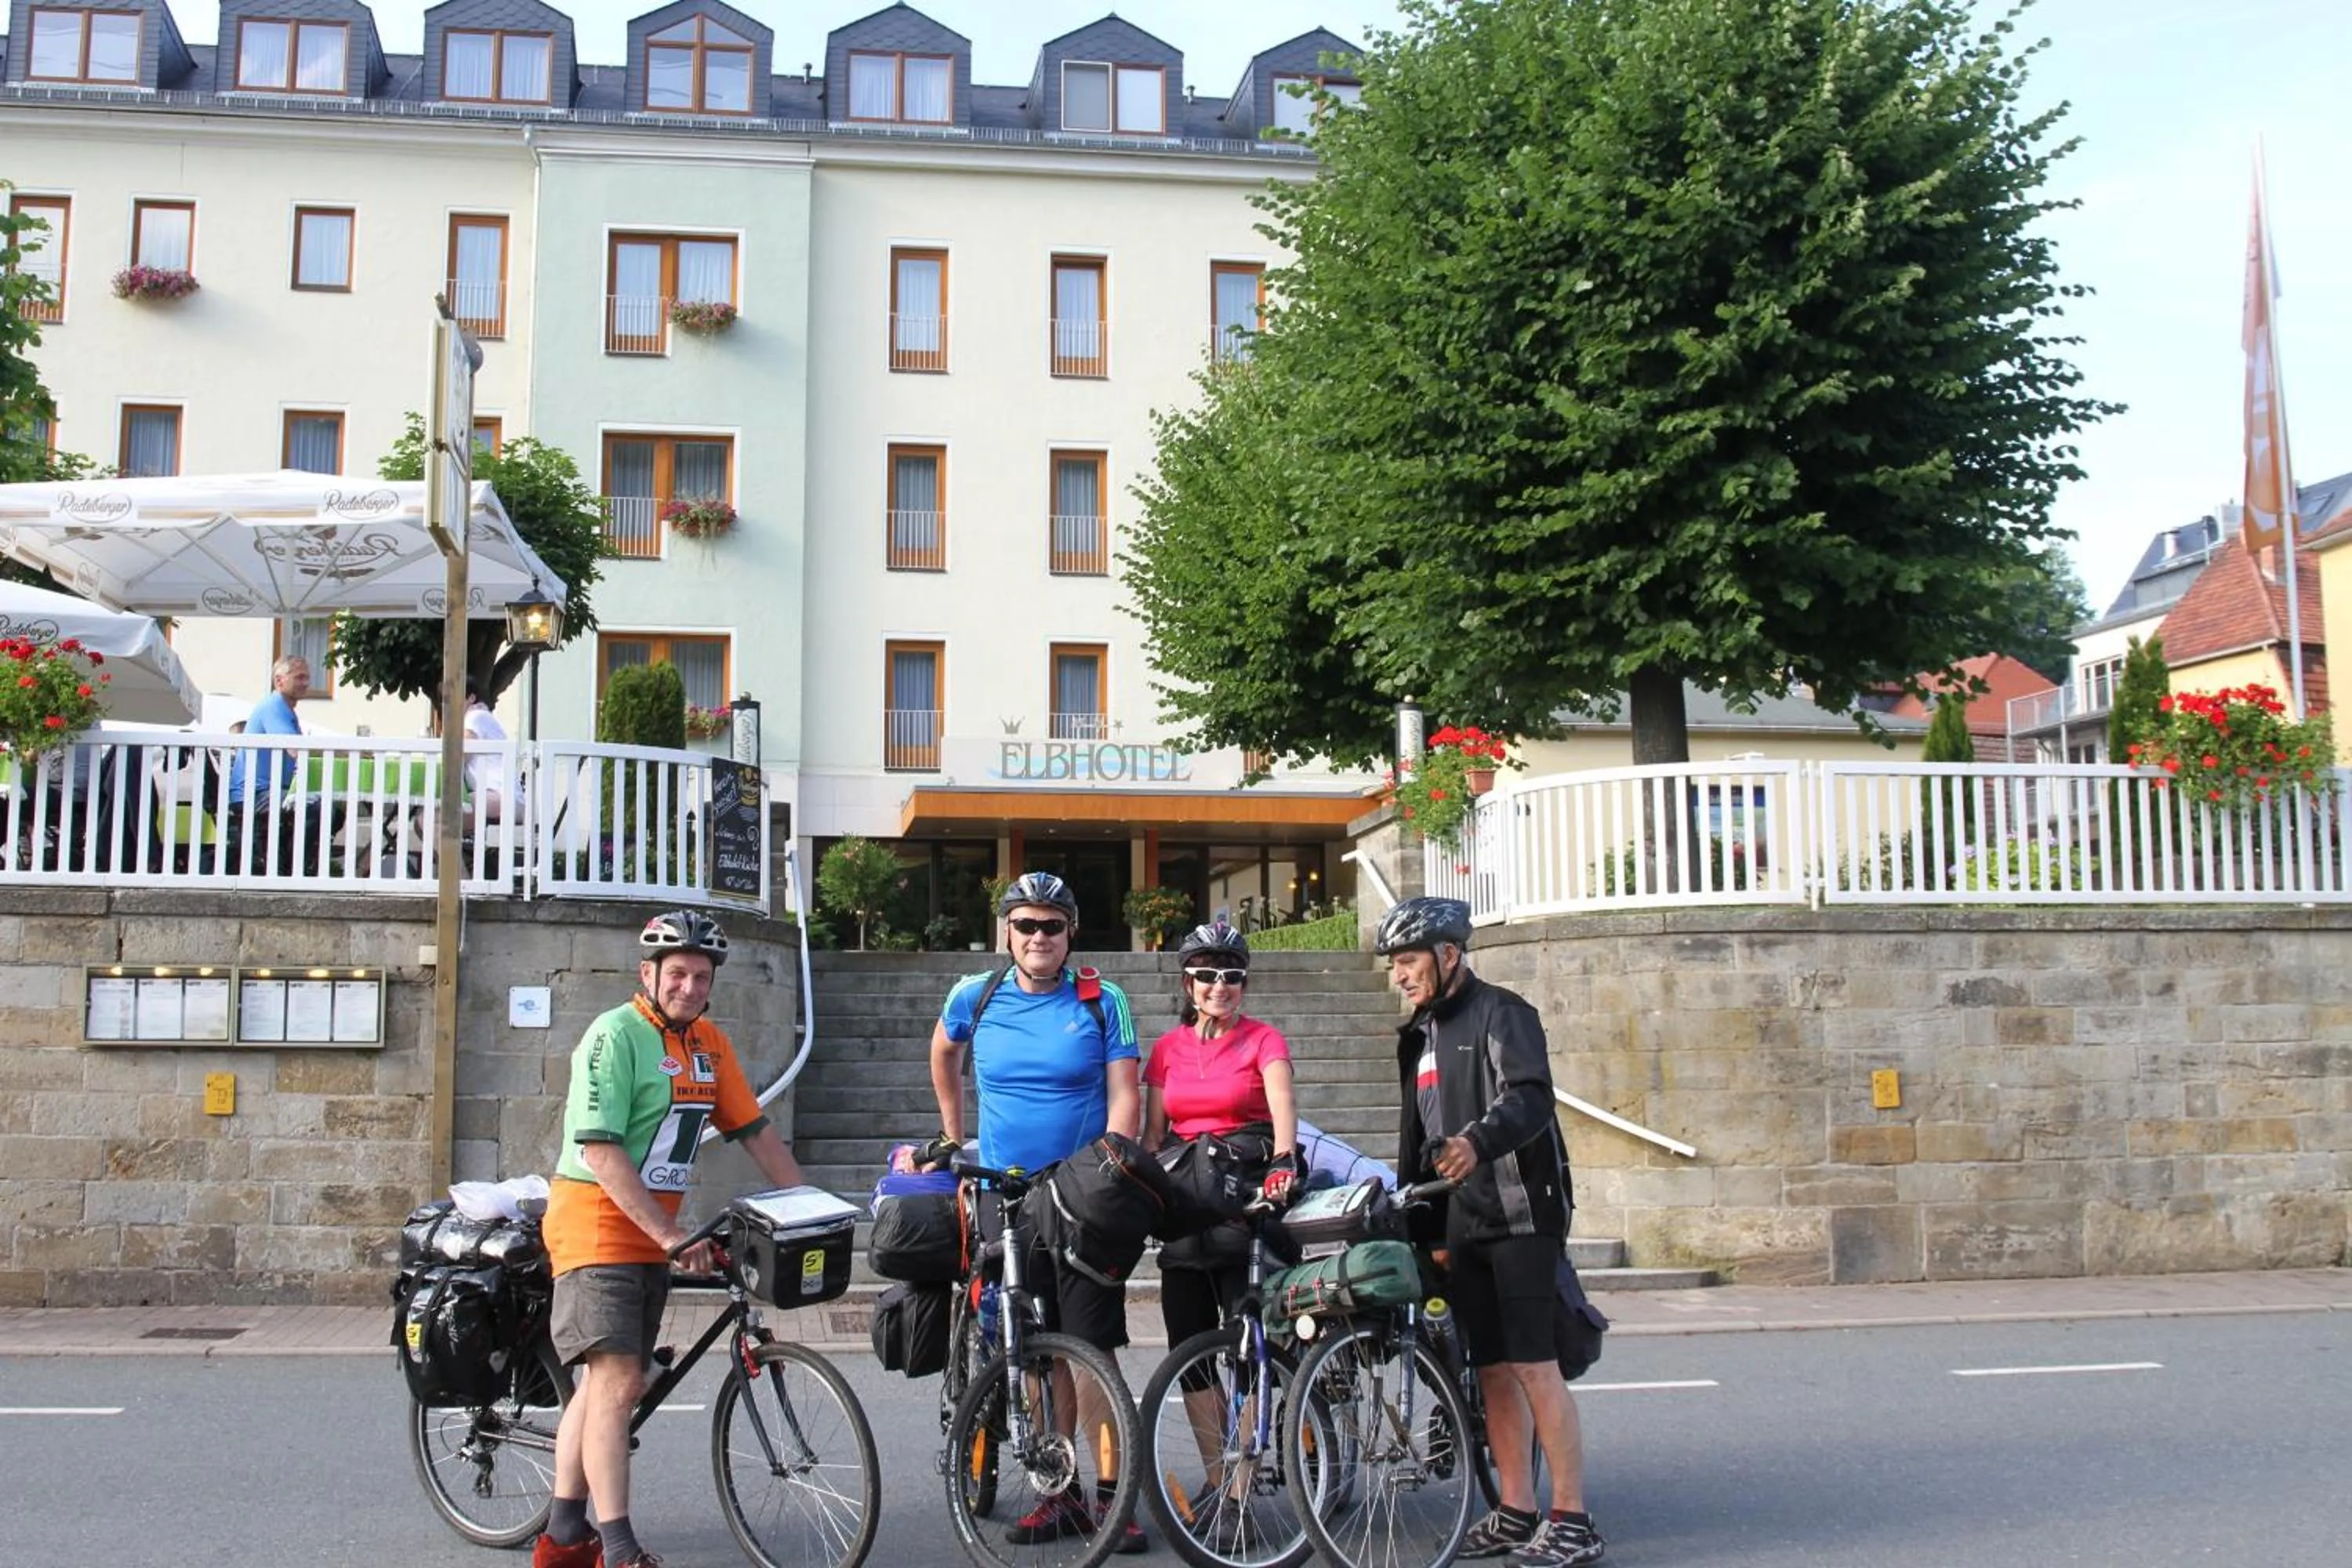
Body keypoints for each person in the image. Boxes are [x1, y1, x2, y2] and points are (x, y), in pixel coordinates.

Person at [535, 909, 808, 1568]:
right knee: (621, 1378)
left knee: (603, 1386)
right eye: (677, 973)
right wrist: (668, 1234)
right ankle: (620, 1548)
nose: (688, 985)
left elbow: (754, 1131)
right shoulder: (615, 1036)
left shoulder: (709, 1043)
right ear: (647, 974)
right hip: (597, 1223)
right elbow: (599, 1151)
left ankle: (563, 1536)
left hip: (651, 1232)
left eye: (700, 975)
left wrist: (805, 1202)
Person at [924, 870, 1147, 1552]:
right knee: (1032, 1349)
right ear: (1008, 933)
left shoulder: (1101, 997)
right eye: (1026, 924)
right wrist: (951, 1131)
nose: (1039, 936)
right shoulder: (977, 994)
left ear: (1070, 932)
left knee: (1091, 1349)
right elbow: (943, 1052)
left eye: (1052, 925)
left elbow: (1126, 1095)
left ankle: (1113, 1498)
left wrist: (1111, 1165)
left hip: (1079, 1195)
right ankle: (1061, 1494)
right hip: (1005, 1192)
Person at [1381, 895, 1606, 1568]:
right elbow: (1416, 1140)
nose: (1400, 975)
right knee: (1492, 1372)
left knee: (1534, 1365)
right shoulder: (1417, 1035)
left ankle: (1572, 1518)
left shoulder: (1503, 1013)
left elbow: (1531, 1096)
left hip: (1521, 1214)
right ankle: (1515, 1508)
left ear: (1449, 956)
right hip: (1461, 1220)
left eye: (1408, 961)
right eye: (1394, 964)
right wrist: (1416, 1225)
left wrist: (1479, 1142)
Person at [1142, 921, 1300, 1520]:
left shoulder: (1264, 1040)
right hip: (1186, 1206)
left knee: (1246, 1346)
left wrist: (1285, 1163)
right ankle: (1217, 1476)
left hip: (1244, 1203)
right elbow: (1155, 1137)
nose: (1220, 986)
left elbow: (1283, 1112)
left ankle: (1240, 1486)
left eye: (1232, 976)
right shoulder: (1166, 1050)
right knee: (1189, 1344)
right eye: (1207, 976)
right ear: (1188, 983)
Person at [460, 676, 509, 823]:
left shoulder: (475, 717)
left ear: (471, 698)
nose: (447, 703)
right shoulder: (480, 716)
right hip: (494, 793)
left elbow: (458, 758)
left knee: (434, 814)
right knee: (427, 817)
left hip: (499, 794)